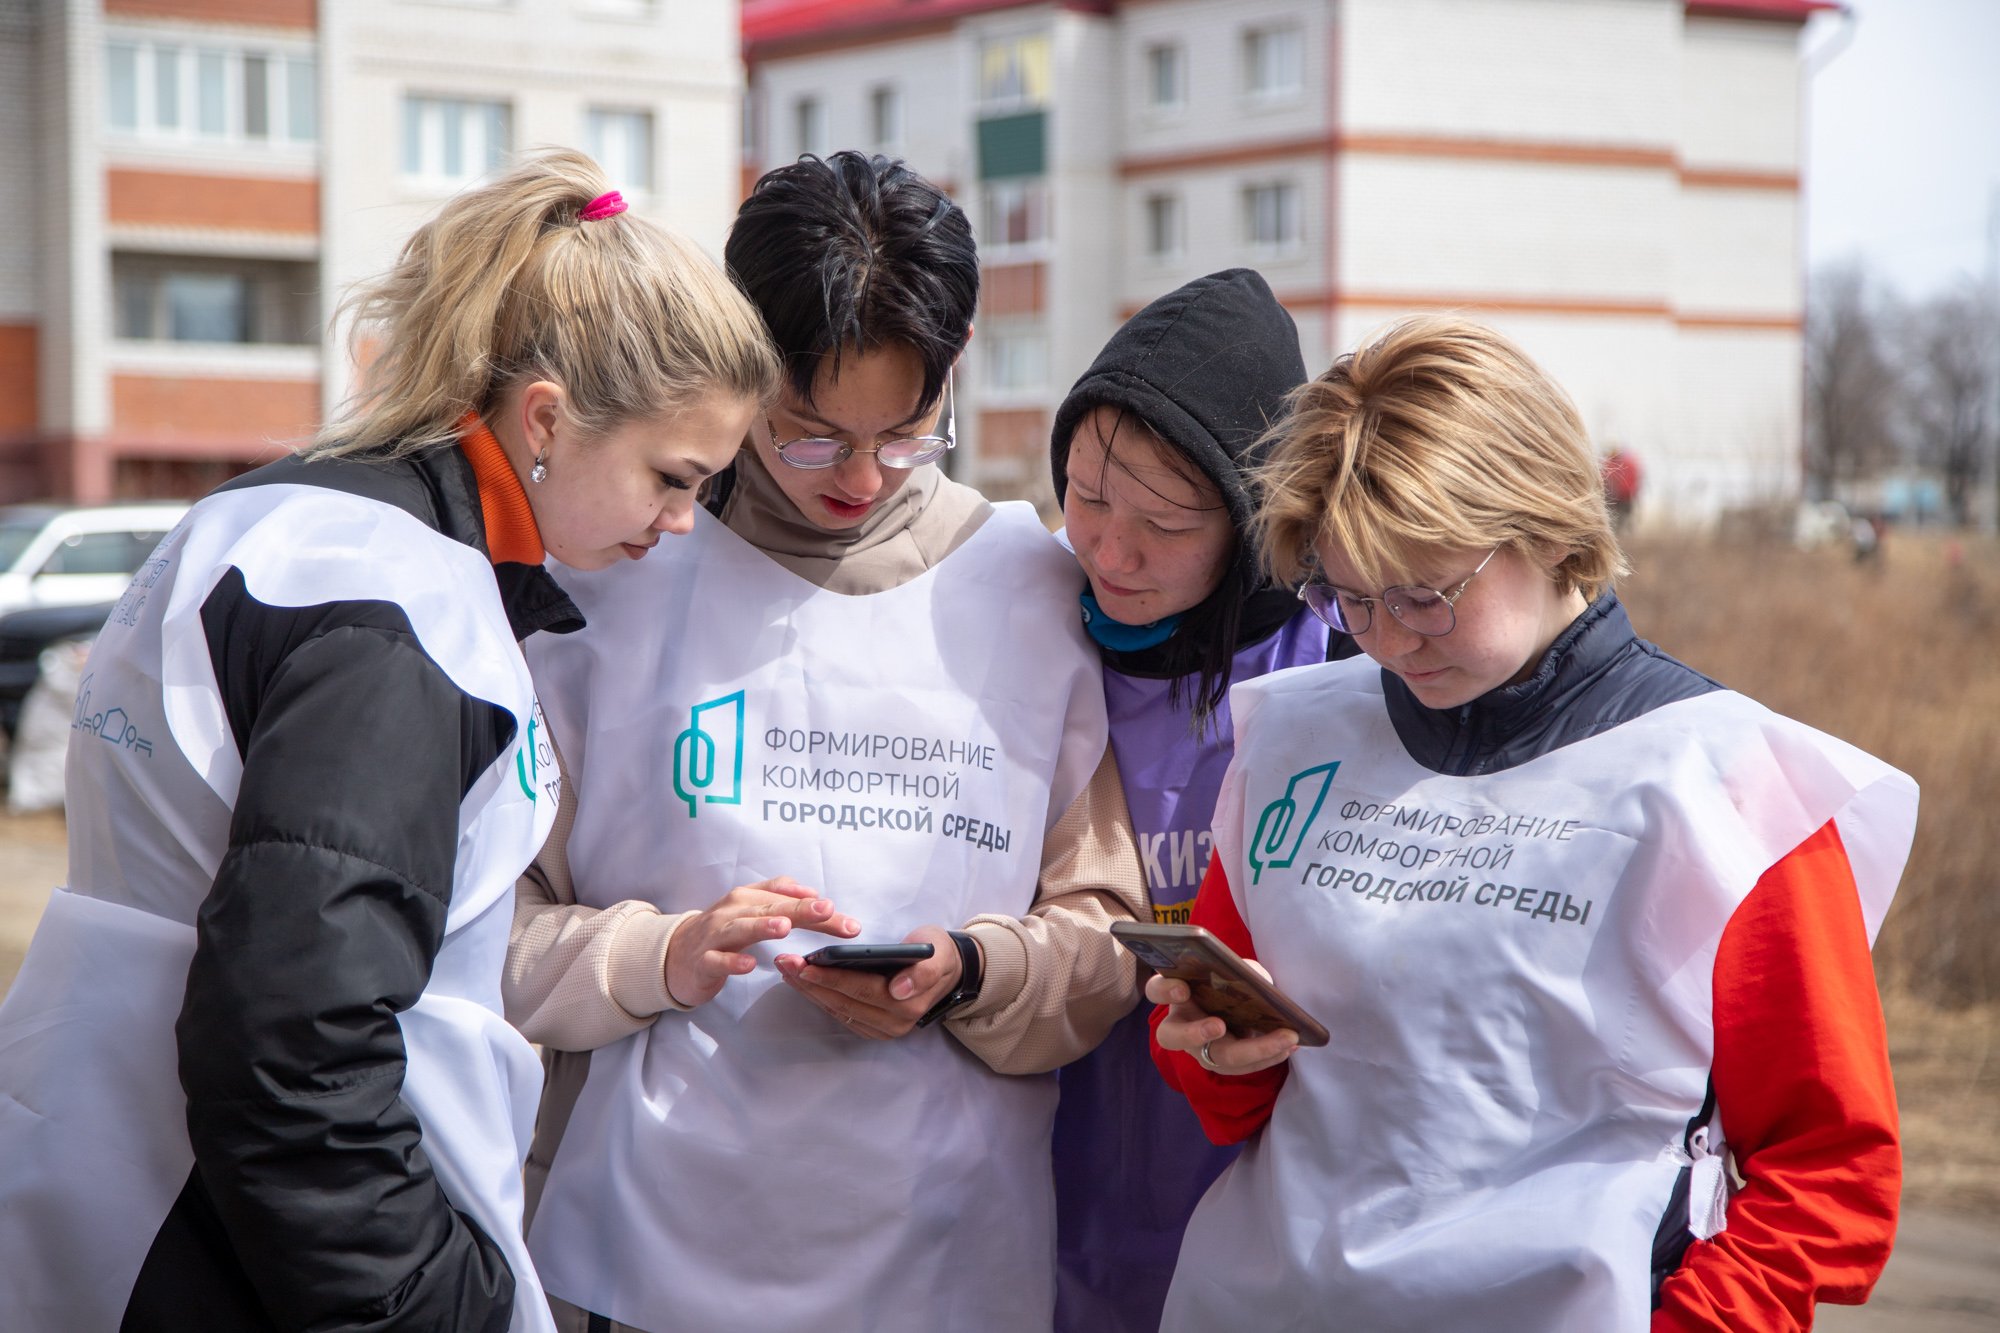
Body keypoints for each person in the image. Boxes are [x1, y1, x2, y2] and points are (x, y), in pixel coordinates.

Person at [0, 148, 777, 1332]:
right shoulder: (396, 611)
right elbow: (292, 1042)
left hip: (125, 1193)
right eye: (672, 478)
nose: (679, 525)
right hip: (234, 1247)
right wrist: (432, 1303)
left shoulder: (277, 519)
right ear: (548, 420)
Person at [1147, 316, 1918, 1332]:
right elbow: (1230, 1089)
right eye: (1347, 597)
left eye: (1425, 594)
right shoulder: (1295, 732)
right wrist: (1208, 1049)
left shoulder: (1726, 786)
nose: (1385, 640)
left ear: (1548, 526)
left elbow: (1828, 1171)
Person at [504, 151, 1148, 1333]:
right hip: (639, 1268)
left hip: (948, 1263)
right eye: (808, 437)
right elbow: (490, 931)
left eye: (905, 435)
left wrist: (974, 970)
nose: (857, 479)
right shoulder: (612, 576)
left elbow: (1104, 937)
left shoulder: (1032, 590)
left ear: (950, 376)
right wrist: (665, 954)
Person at [1044, 268, 1356, 1332]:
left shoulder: (1341, 667)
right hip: (1045, 1185)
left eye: (1166, 524)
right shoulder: (1024, 623)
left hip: (1260, 1198)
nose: (1108, 552)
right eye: (1085, 495)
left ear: (1250, 523)